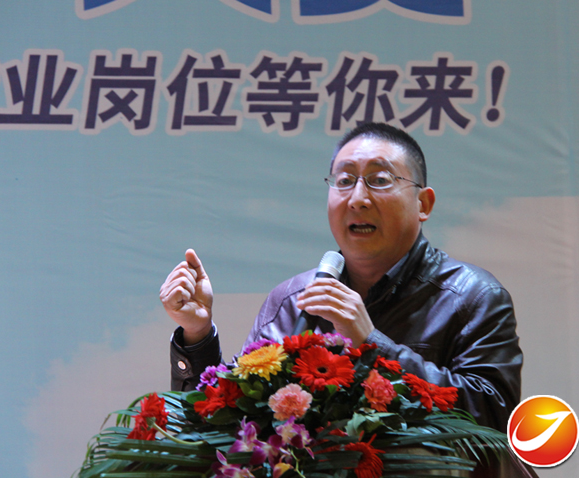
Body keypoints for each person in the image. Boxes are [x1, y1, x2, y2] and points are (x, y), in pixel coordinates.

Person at [160, 122, 523, 434]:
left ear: (423, 204)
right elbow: (228, 428)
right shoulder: (291, 301)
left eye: (380, 180)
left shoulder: (473, 296)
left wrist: (371, 343)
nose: (357, 198)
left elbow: (494, 418)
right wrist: (197, 335)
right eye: (345, 181)